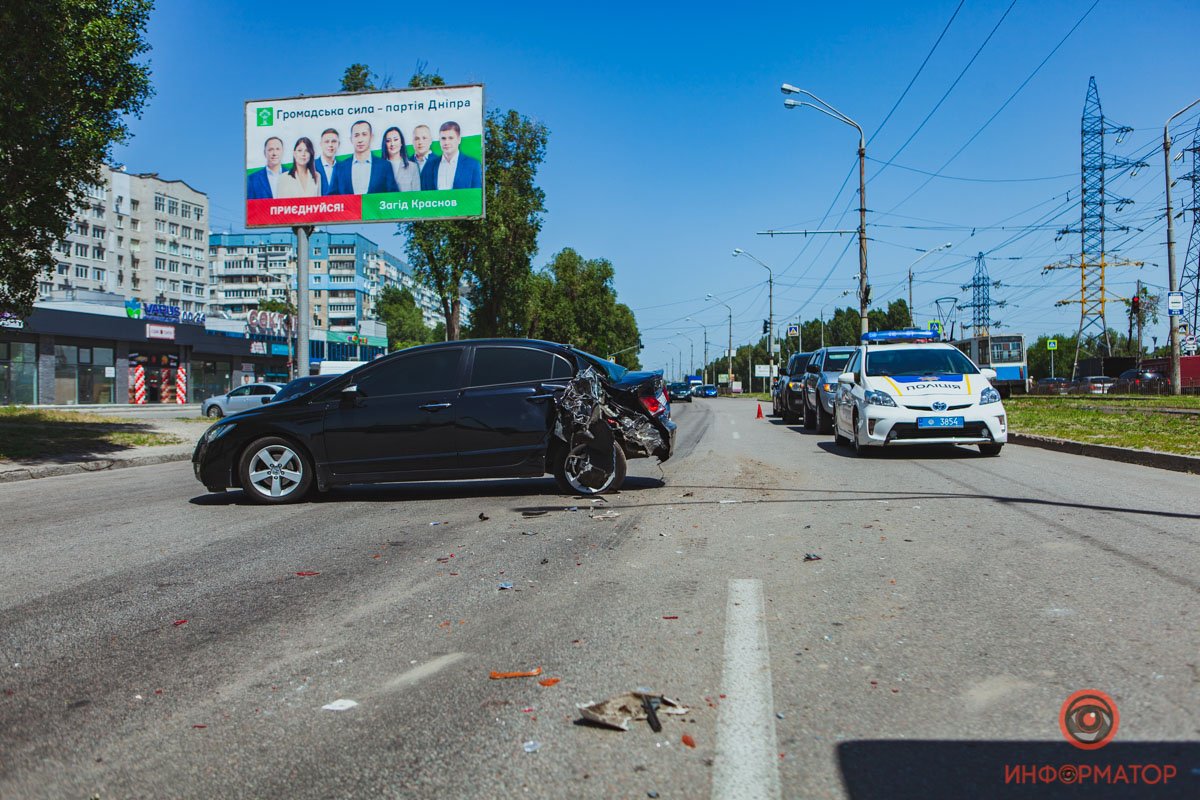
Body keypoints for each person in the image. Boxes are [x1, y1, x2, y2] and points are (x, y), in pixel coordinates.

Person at [328, 120, 398, 195]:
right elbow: (331, 198)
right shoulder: (339, 167)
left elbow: (393, 197)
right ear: (351, 139)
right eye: (356, 135)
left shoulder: (385, 166)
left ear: (371, 137)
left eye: (364, 134)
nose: (360, 140)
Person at [422, 121, 483, 190]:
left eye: (451, 138)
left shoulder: (472, 164)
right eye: (443, 138)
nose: (446, 142)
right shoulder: (429, 165)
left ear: (459, 140)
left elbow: (476, 195)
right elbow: (424, 194)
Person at [381, 126, 420, 192]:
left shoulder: (412, 167)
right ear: (385, 144)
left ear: (401, 142)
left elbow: (417, 195)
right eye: (388, 141)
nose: (392, 144)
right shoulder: (379, 168)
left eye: (395, 139)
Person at [314, 128, 340, 195]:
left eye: (334, 141)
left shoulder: (344, 168)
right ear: (321, 144)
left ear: (338, 144)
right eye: (327, 142)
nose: (330, 145)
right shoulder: (311, 166)